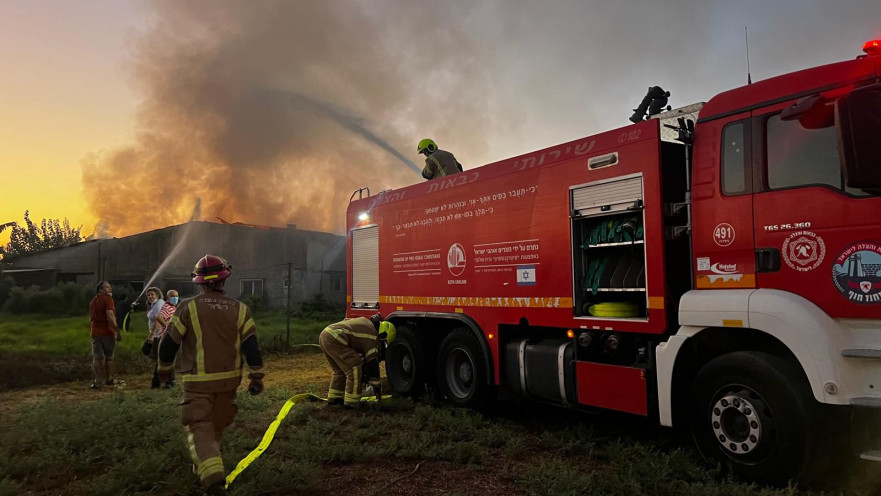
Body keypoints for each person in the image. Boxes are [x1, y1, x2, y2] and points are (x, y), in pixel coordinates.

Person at [157, 255, 264, 496]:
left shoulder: (187, 307)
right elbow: (252, 347)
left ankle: (213, 480)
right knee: (215, 427)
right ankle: (205, 470)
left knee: (199, 427)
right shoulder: (241, 310)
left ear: (199, 282)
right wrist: (256, 376)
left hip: (197, 384)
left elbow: (169, 344)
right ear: (224, 279)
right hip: (229, 383)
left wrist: (164, 371)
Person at [318, 314, 396, 408]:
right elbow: (372, 363)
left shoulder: (366, 324)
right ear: (383, 334)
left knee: (340, 371)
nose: (382, 344)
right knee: (354, 368)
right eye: (384, 342)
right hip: (336, 338)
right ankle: (351, 403)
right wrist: (377, 386)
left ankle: (335, 400)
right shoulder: (372, 336)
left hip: (325, 335)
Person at [89, 281, 122, 389]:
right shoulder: (108, 299)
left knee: (97, 357)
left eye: (109, 287)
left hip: (95, 333)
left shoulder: (93, 301)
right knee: (109, 357)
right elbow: (110, 315)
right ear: (100, 289)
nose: (109, 289)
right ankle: (109, 379)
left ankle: (98, 381)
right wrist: (116, 331)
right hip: (107, 332)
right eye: (107, 287)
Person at [147, 289, 179, 389]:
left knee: (163, 359)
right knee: (167, 359)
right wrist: (167, 327)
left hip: (165, 336)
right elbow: (159, 317)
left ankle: (158, 382)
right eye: (173, 296)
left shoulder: (170, 306)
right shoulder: (167, 306)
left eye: (176, 296)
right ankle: (168, 381)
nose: (175, 298)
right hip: (164, 336)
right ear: (168, 297)